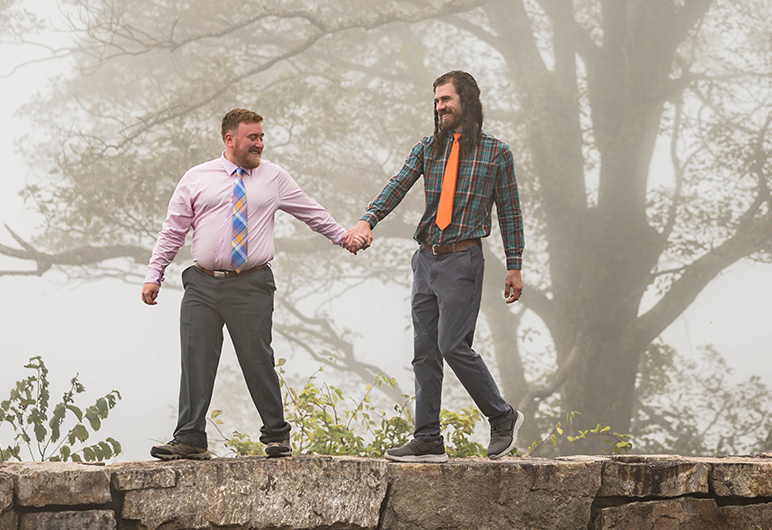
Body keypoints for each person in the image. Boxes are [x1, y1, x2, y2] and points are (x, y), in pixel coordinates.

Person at [142, 108, 362, 459]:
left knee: (257, 359)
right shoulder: (197, 178)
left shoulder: (273, 177)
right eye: (252, 138)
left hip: (251, 284)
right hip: (202, 284)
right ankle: (191, 439)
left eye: (261, 137)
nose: (260, 144)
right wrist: (155, 273)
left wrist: (344, 237)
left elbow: (310, 210)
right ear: (230, 140)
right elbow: (174, 229)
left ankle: (276, 435)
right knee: (196, 358)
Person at [344, 70, 524, 462]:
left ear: (467, 101)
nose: (440, 106)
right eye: (437, 100)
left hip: (463, 258)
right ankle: (427, 438)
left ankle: (502, 415)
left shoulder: (497, 153)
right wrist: (366, 220)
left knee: (452, 345)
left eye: (446, 99)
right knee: (424, 351)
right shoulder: (429, 148)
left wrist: (514, 265)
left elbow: (510, 212)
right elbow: (397, 184)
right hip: (426, 258)